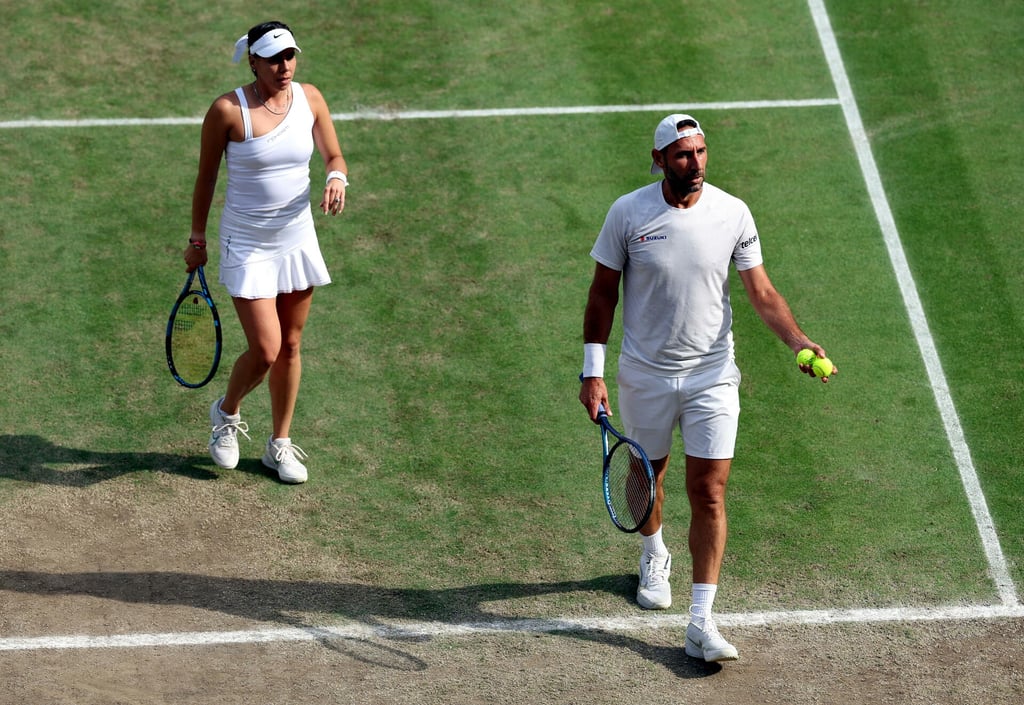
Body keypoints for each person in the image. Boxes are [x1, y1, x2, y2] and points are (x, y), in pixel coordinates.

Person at [578, 114, 835, 662]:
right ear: (659, 161)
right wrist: (591, 370)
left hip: (713, 376)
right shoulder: (627, 213)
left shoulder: (733, 212)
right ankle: (653, 551)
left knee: (710, 492)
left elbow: (761, 292)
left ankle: (701, 621)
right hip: (644, 373)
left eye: (700, 153)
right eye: (682, 155)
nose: (694, 164)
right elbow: (603, 296)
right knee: (647, 476)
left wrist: (799, 342)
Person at [183, 21, 349, 484]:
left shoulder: (310, 98)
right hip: (248, 243)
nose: (285, 66)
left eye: (290, 56)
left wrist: (337, 177)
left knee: (291, 345)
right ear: (253, 61)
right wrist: (198, 238)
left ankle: (279, 445)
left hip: (295, 239)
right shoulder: (227, 111)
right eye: (275, 58)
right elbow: (206, 178)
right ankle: (226, 412)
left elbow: (334, 157)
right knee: (266, 349)